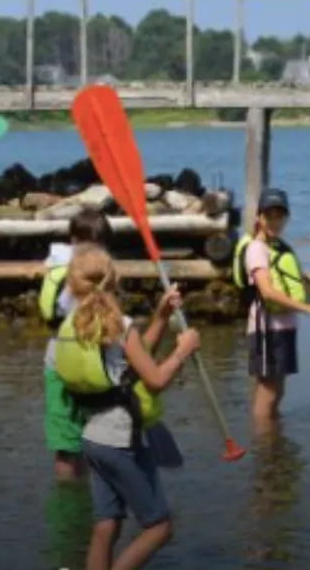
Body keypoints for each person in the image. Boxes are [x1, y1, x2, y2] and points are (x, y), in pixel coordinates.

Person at [54, 244, 201, 570]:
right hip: (122, 443)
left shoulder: (75, 324)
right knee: (160, 526)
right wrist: (182, 351)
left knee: (107, 524)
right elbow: (155, 380)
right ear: (113, 281)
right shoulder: (119, 325)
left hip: (93, 439)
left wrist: (161, 316)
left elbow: (133, 360)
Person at [233, 188, 310, 426]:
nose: (275, 221)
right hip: (266, 328)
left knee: (278, 389)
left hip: (283, 326)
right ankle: (265, 448)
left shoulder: (277, 246)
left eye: (280, 216)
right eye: (269, 215)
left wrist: (307, 278)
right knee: (269, 390)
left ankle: (273, 439)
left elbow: (281, 276)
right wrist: (309, 309)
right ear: (259, 217)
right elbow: (267, 291)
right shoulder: (256, 249)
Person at [38, 206, 111, 481]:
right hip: (91, 360)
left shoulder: (57, 269)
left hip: (59, 358)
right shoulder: (99, 273)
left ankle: (73, 497)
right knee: (92, 437)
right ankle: (84, 494)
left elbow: (50, 315)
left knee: (66, 442)